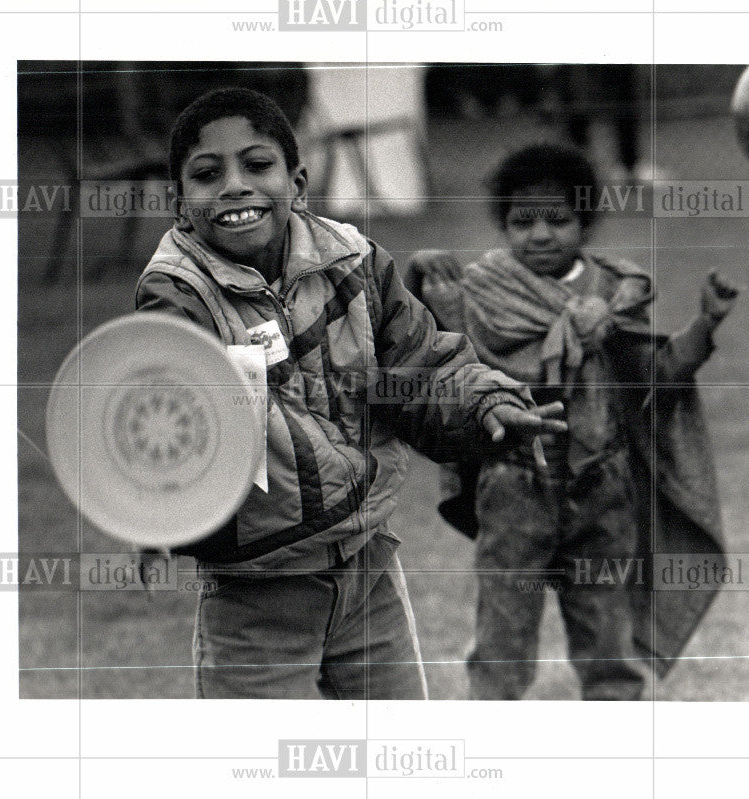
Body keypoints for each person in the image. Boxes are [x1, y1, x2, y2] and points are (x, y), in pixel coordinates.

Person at [133, 88, 566, 700]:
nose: (234, 185)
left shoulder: (355, 263)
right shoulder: (177, 299)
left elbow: (421, 363)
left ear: (299, 183)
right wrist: (153, 510)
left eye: (257, 166)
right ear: (180, 203)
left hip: (367, 569)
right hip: (254, 593)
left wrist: (485, 399)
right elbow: (166, 424)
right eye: (208, 174)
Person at [406, 142, 739, 700]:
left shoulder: (613, 297)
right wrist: (445, 309)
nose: (539, 235)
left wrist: (705, 324)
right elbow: (458, 374)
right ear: (504, 225)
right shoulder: (480, 292)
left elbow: (656, 374)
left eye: (557, 219)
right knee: (502, 643)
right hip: (514, 488)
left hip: (602, 491)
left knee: (609, 642)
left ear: (585, 224)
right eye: (522, 221)